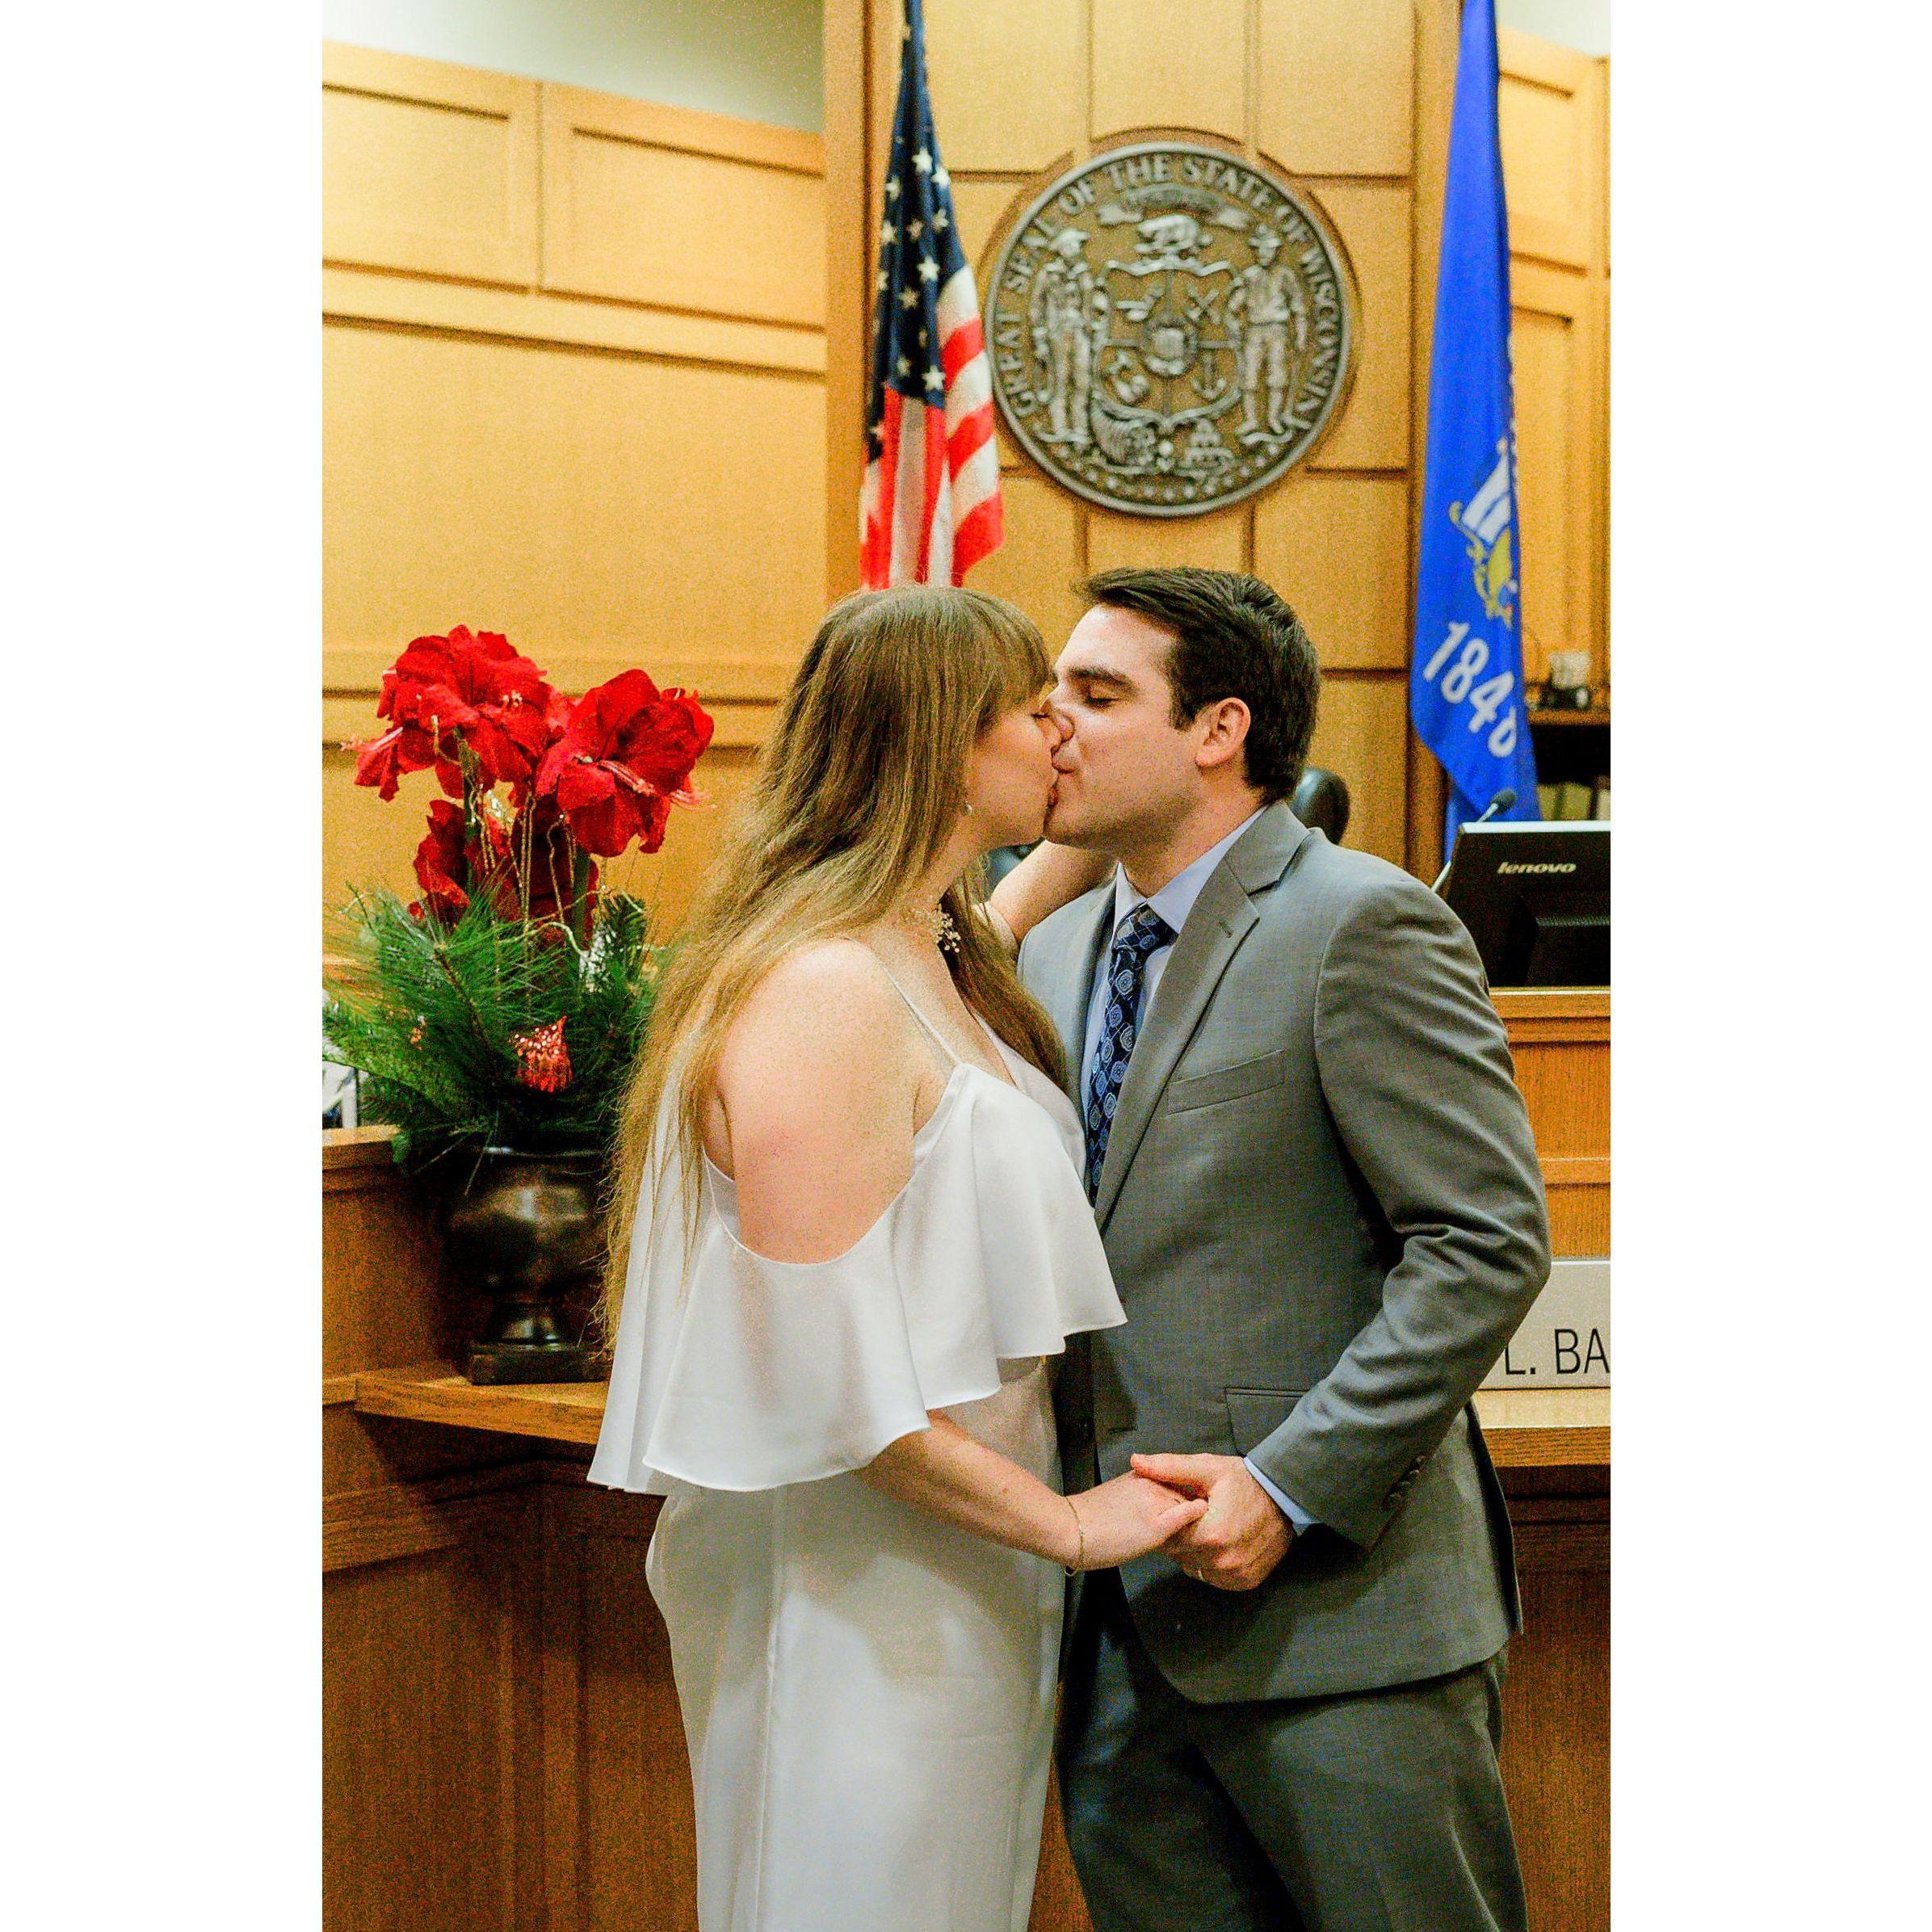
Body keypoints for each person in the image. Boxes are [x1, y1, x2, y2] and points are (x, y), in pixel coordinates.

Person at [588, 586, 1206, 1932]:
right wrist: (1069, 1527)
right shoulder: (822, 989)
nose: (1060, 737)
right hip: (862, 1566)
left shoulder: (934, 945)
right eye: (1030, 712)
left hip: (956, 1558)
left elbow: (992, 945)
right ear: (938, 741)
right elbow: (828, 1380)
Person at [1011, 565, 1552, 1932]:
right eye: (1052, 693)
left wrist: (1292, 1483)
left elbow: (1484, 1242)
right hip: (1113, 1635)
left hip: (1337, 1628)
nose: (1052, 723)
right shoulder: (1057, 948)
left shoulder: (1359, 921)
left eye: (1096, 692)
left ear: (1219, 730)